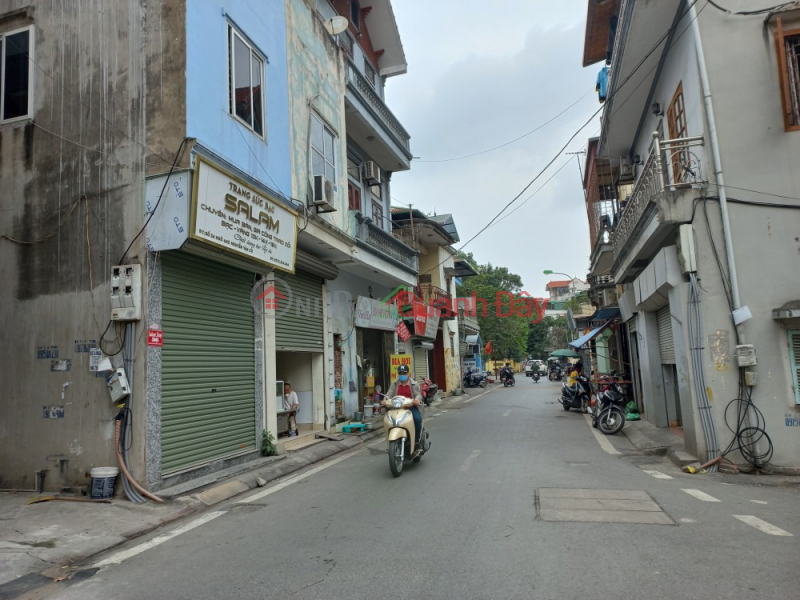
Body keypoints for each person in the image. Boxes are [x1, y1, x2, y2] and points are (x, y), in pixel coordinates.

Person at [385, 364, 423, 452]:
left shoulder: (414, 383)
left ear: (408, 374)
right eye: (400, 373)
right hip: (397, 408)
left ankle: (416, 442)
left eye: (404, 373)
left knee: (417, 419)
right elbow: (389, 394)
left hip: (410, 407)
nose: (402, 375)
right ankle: (390, 443)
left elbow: (418, 394)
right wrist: (385, 400)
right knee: (389, 421)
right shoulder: (394, 384)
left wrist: (417, 400)